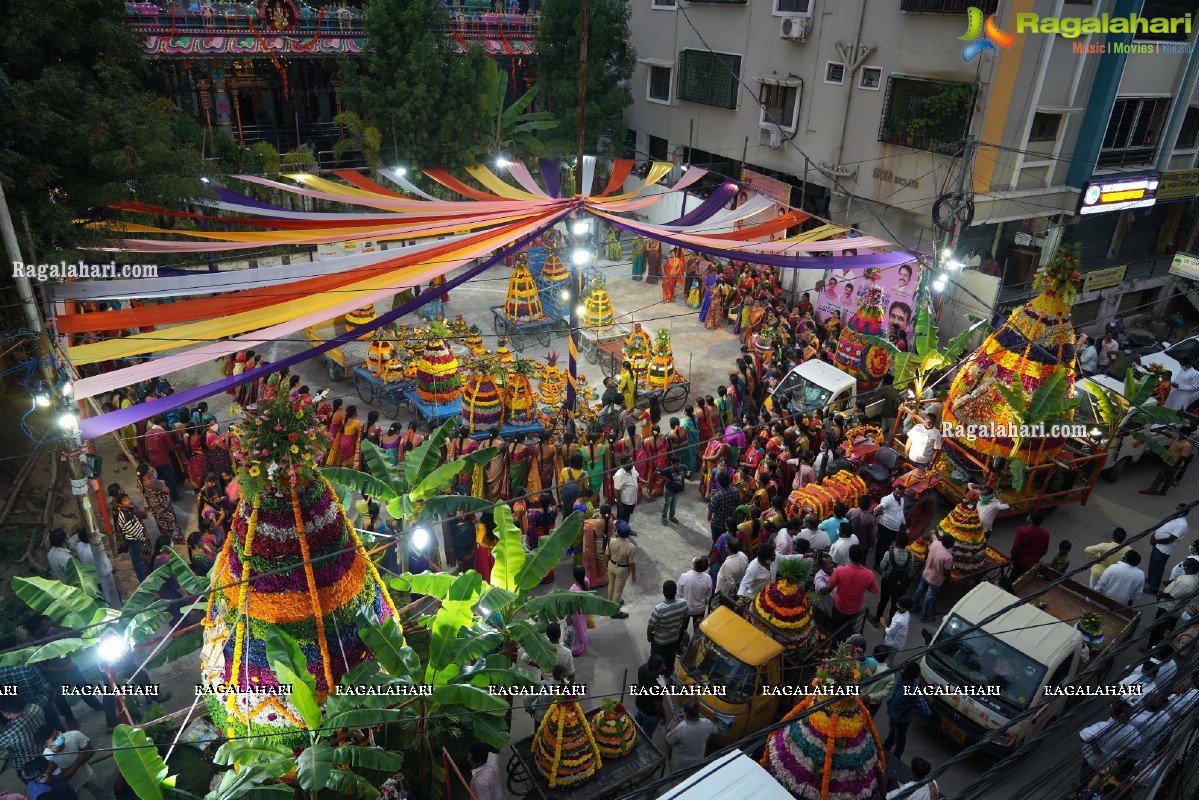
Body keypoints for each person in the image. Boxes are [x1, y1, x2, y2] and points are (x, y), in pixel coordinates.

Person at [41, 726, 110, 800]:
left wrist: (68, 770)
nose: (59, 737)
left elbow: (90, 752)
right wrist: (79, 760)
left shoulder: (74, 735)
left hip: (87, 775)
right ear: (46, 746)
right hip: (69, 786)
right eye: (54, 738)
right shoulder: (47, 757)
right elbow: (63, 777)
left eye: (58, 733)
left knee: (101, 794)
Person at [1079, 701, 1142, 782]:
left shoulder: (1102, 726)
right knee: (1097, 781)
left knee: (1085, 778)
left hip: (1091, 759)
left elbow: (1082, 737)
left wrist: (1094, 744)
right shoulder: (1134, 733)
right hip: (1107, 765)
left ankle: (1082, 789)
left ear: (1113, 712)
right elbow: (1132, 750)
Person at [821, 545, 878, 633]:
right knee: (849, 626)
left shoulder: (840, 571)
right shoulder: (869, 574)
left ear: (850, 557)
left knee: (837, 628)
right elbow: (874, 590)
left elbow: (830, 587)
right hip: (854, 608)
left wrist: (821, 590)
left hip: (840, 606)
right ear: (862, 557)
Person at [884, 663, 932, 758]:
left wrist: (912, 710)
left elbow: (926, 711)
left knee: (900, 740)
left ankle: (896, 758)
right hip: (893, 713)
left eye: (904, 670)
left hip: (901, 720)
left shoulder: (913, 690)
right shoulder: (903, 678)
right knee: (892, 733)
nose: (901, 670)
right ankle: (885, 748)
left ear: (908, 675)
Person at [647, 580, 689, 673]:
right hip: (674, 638)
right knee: (670, 658)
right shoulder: (683, 603)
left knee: (657, 660)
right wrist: (678, 628)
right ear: (676, 592)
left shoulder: (659, 609)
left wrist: (649, 637)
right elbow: (685, 619)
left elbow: (651, 627)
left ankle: (657, 675)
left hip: (660, 641)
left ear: (663, 593)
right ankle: (668, 673)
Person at [912, 533, 955, 622]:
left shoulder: (935, 543)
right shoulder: (948, 557)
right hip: (936, 579)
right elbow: (947, 571)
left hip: (926, 572)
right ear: (950, 545)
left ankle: (914, 607)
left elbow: (927, 551)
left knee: (920, 590)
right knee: (929, 597)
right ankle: (925, 617)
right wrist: (949, 580)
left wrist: (926, 562)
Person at [1146, 505, 1189, 593]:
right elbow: (1162, 526)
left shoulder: (1181, 525)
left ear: (1183, 513)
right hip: (1157, 544)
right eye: (1177, 508)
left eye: (1178, 509)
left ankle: (1154, 588)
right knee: (1152, 564)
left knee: (1157, 568)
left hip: (1164, 549)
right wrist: (1154, 535)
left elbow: (1171, 539)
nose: (1176, 509)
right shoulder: (1173, 517)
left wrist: (1156, 541)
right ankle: (1150, 579)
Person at [665, 700, 716, 772]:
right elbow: (714, 730)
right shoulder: (707, 723)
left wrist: (674, 723)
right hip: (698, 760)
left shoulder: (681, 728)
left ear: (686, 714)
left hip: (680, 761)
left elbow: (669, 740)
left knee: (677, 778)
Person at [0, 699, 47, 773]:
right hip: (45, 751)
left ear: (7, 713)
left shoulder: (8, 732)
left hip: (26, 764)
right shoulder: (35, 707)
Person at [876, 532, 915, 621]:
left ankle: (878, 618)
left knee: (883, 601)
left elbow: (882, 567)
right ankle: (891, 621)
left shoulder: (889, 553)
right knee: (895, 603)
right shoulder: (910, 556)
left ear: (896, 543)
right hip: (901, 584)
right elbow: (910, 569)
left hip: (887, 581)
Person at [1140, 429, 1191, 496]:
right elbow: (1170, 435)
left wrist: (1174, 466)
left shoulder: (1186, 445)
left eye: (1179, 432)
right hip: (1167, 460)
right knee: (1160, 476)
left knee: (1168, 479)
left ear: (1183, 434)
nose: (1178, 432)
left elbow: (1182, 457)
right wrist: (1159, 431)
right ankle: (1152, 490)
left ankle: (1163, 492)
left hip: (1174, 464)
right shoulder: (1178, 437)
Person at [112, 493, 148, 582]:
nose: (128, 501)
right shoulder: (125, 516)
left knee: (139, 557)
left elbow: (136, 522)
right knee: (136, 562)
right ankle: (142, 579)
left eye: (128, 499)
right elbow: (133, 532)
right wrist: (142, 538)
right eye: (125, 501)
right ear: (120, 504)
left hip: (137, 539)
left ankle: (143, 573)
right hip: (134, 541)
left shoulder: (128, 510)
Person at [1010, 510, 1050, 580]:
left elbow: (1015, 549)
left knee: (1013, 578)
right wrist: (1035, 559)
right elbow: (1044, 551)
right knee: (1023, 580)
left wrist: (1012, 560)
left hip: (1019, 561)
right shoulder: (1045, 534)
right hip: (1032, 563)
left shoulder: (1021, 530)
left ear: (1030, 521)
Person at [607, 520, 636, 617]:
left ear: (617, 532)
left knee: (611, 585)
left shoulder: (611, 541)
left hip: (611, 564)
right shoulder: (630, 547)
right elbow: (631, 563)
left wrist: (606, 564)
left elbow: (607, 554)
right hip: (622, 569)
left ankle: (610, 603)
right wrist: (633, 574)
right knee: (618, 590)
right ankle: (614, 612)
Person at [634, 655, 669, 737]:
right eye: (661, 667)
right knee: (646, 735)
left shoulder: (643, 668)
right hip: (650, 714)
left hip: (639, 704)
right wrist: (663, 717)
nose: (665, 668)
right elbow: (659, 706)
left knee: (636, 727)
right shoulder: (658, 686)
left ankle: (633, 737)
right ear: (654, 671)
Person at [678, 557, 713, 633]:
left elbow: (678, 595)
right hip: (700, 609)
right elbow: (708, 596)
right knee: (697, 631)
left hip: (685, 609)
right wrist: (704, 603)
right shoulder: (708, 578)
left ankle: (681, 643)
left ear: (694, 565)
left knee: (682, 629)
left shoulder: (684, 576)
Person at [708, 472, 740, 543]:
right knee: (726, 541)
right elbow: (737, 503)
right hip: (729, 524)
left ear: (719, 483)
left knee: (716, 541)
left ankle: (713, 553)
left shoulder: (718, 495)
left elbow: (711, 509)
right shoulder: (735, 491)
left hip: (718, 523)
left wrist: (709, 518)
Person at [659, 456, 687, 524]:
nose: (679, 465)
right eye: (677, 464)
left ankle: (671, 517)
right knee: (667, 504)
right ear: (672, 463)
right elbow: (661, 474)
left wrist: (682, 476)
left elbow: (686, 468)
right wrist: (668, 480)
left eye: (679, 463)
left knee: (673, 505)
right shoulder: (668, 470)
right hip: (668, 491)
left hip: (676, 491)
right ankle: (663, 517)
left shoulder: (682, 467)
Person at [613, 455, 640, 523]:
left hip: (632, 500)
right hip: (624, 503)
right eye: (630, 462)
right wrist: (620, 506)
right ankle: (620, 532)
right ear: (624, 464)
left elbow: (637, 477)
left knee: (628, 515)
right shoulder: (619, 475)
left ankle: (626, 529)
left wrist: (645, 482)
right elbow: (616, 491)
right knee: (622, 518)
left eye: (632, 461)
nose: (632, 463)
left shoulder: (632, 468)